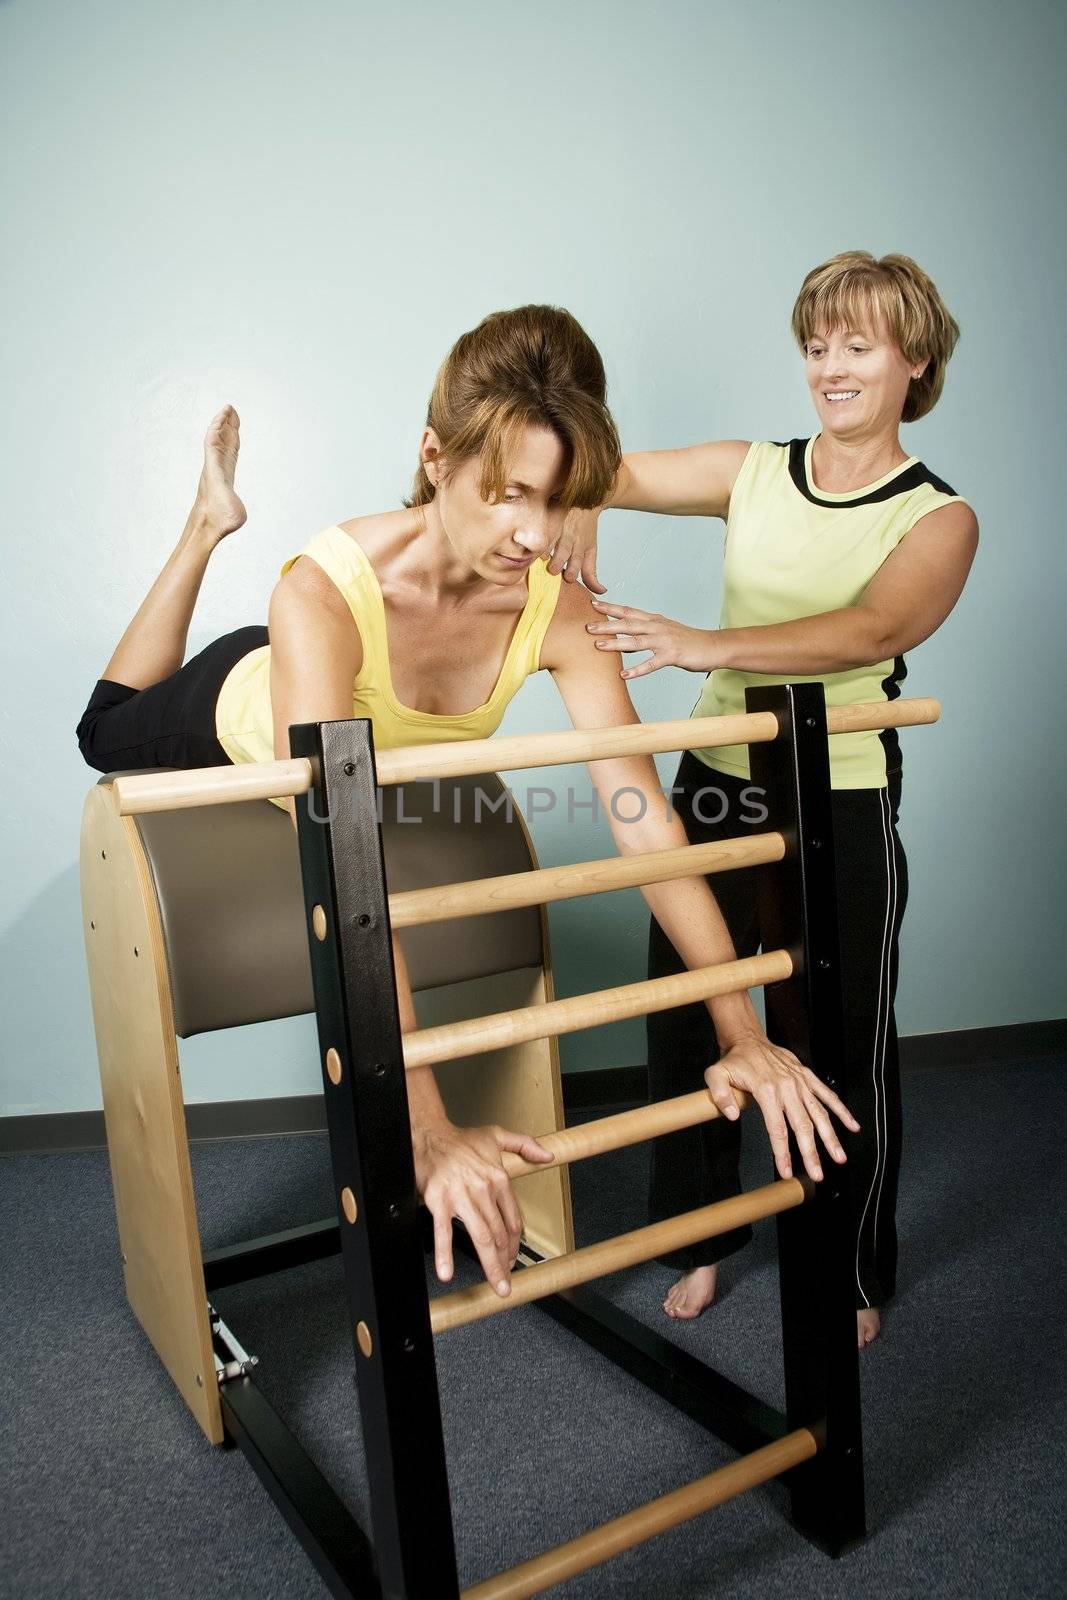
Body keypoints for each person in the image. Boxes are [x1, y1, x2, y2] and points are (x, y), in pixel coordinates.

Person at [76, 304, 858, 1306]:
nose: (528, 534)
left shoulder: (555, 604)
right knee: (106, 729)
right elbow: (346, 863)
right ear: (433, 456)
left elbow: (640, 816)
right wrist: (429, 1128)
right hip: (238, 702)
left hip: (357, 734)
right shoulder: (320, 591)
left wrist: (739, 1029)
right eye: (504, 495)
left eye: (558, 500)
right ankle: (203, 526)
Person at [547, 254, 978, 1347]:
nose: (830, 367)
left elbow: (873, 630)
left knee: (835, 1040)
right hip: (719, 789)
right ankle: (700, 1236)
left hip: (836, 799)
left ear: (911, 361)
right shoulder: (754, 468)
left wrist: (705, 643)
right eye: (816, 344)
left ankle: (848, 1264)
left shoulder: (936, 515)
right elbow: (602, 465)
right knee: (688, 1012)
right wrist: (579, 496)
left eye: (858, 344)